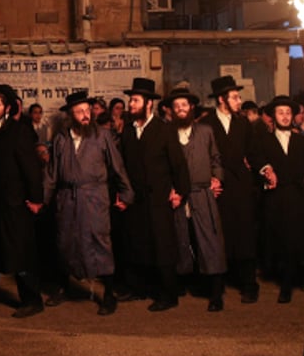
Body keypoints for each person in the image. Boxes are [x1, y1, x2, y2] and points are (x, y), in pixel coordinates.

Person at [43, 90, 133, 316]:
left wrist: (127, 194)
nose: (85, 115)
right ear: (71, 115)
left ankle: (109, 294)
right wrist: (42, 200)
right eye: (79, 111)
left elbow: (117, 167)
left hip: (95, 197)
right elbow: (51, 174)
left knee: (99, 242)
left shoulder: (102, 136)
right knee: (65, 241)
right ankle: (63, 288)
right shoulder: (61, 138)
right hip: (67, 199)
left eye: (87, 111)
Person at [119, 79, 191, 312]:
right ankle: (140, 289)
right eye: (131, 100)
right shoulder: (128, 130)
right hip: (136, 200)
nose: (131, 104)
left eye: (136, 100)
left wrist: (180, 192)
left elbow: (179, 165)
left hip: (159, 199)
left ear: (149, 104)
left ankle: (169, 295)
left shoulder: (164, 129)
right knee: (138, 244)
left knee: (163, 247)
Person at [0, 82, 46, 317]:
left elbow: (31, 169)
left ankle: (32, 299)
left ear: (7, 108)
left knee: (20, 251)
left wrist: (36, 199)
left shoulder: (19, 131)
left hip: (15, 204)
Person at [257, 96, 304, 303]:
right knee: (280, 239)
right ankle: (287, 281)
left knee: (297, 238)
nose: (285, 117)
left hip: (297, 196)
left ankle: (296, 277)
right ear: (273, 117)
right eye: (280, 113)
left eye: (288, 113)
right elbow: (258, 160)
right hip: (275, 198)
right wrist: (267, 170)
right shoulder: (264, 140)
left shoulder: (299, 140)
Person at [167, 86, 228, 311]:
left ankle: (215, 294)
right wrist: (170, 190)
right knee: (181, 239)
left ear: (192, 107)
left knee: (210, 242)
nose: (181, 109)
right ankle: (183, 284)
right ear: (172, 110)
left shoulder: (205, 131)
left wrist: (217, 179)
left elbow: (216, 159)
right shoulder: (167, 133)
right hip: (178, 196)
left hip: (202, 193)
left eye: (185, 105)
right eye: (177, 106)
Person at [204, 75, 263, 303]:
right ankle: (216, 290)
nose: (240, 101)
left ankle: (249, 285)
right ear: (222, 100)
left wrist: (265, 169)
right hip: (218, 188)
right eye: (235, 97)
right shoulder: (206, 124)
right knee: (218, 238)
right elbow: (202, 157)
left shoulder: (243, 123)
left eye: (239, 97)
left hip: (241, 186)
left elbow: (254, 152)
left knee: (245, 235)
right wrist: (210, 179)